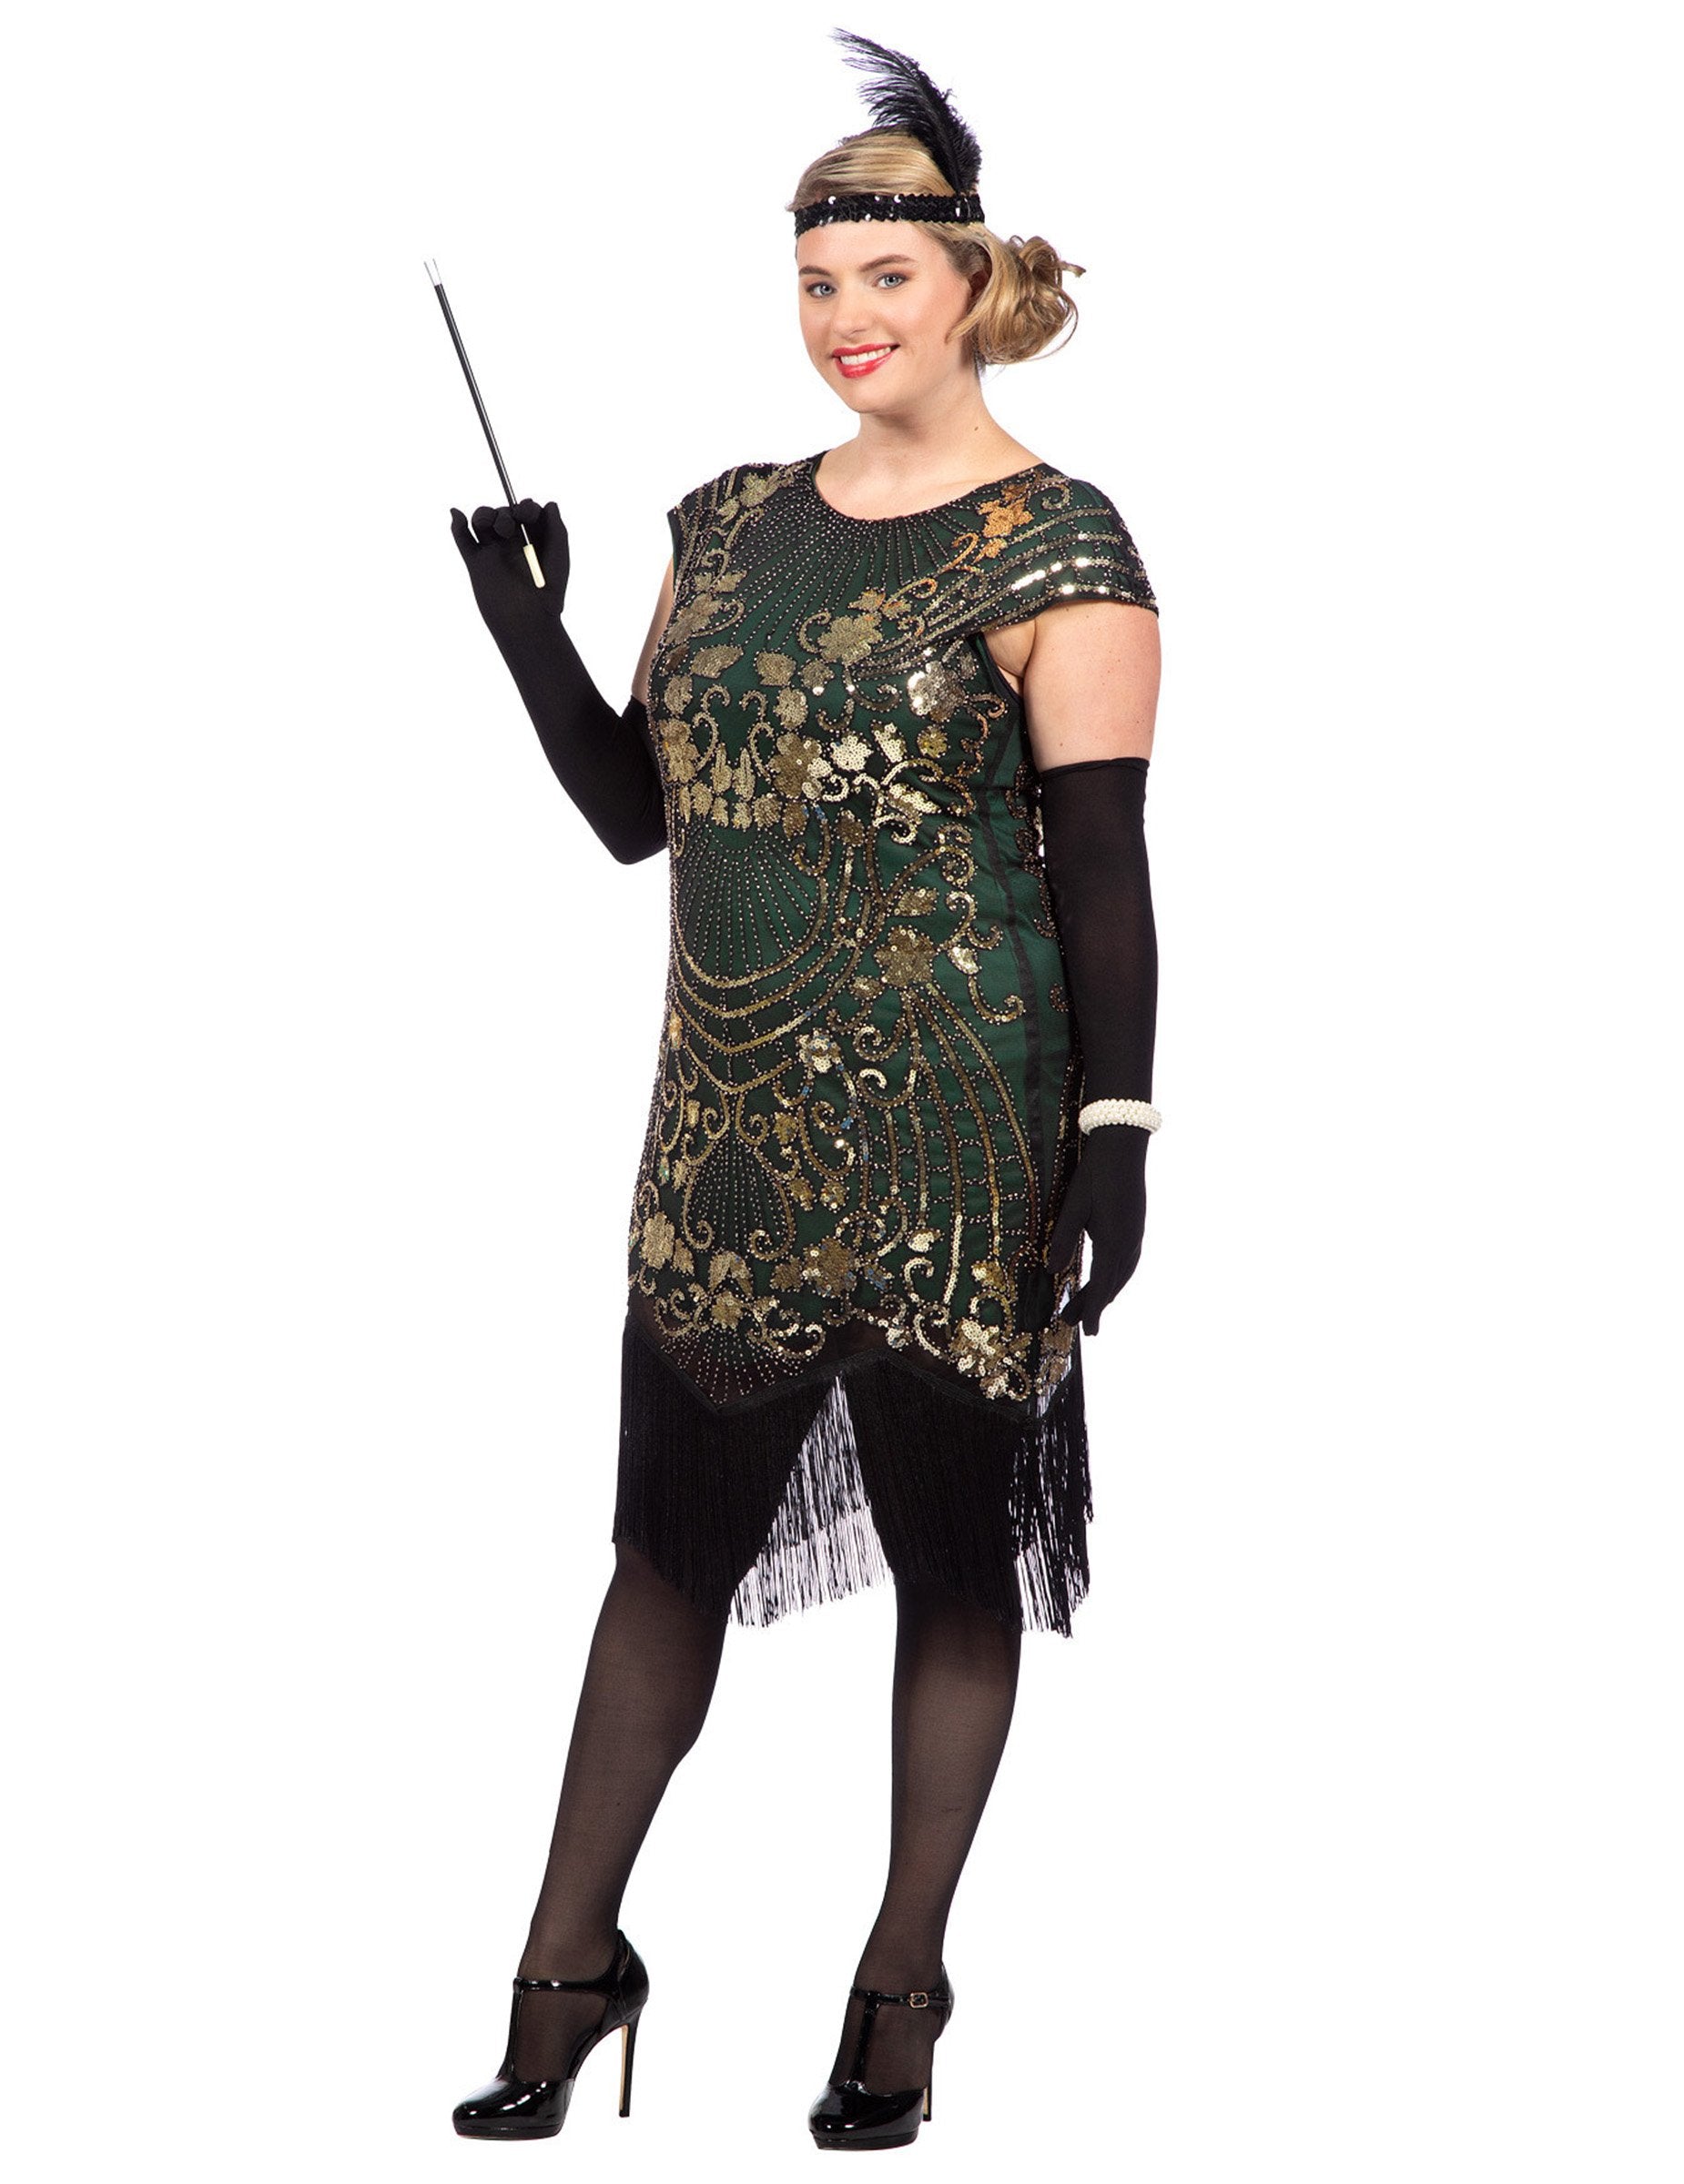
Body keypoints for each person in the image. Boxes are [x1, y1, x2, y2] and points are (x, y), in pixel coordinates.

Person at [444, 29, 1162, 2156]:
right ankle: (566, 1968)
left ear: (971, 285)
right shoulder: (731, 523)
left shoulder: (1061, 548)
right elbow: (633, 817)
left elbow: (1102, 873)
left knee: (952, 1568)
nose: (844, 320)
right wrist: (529, 631)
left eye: (882, 280)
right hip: (728, 1137)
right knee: (662, 1557)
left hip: (963, 1124)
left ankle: (898, 1987)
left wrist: (1115, 1136)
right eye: (814, 284)